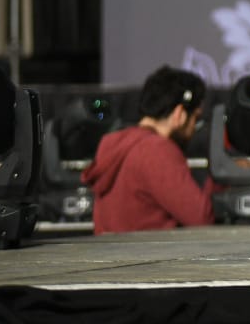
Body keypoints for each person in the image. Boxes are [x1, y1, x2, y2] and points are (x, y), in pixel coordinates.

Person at [81, 66, 216, 234]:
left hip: (116, 257)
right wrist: (218, 178)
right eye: (195, 118)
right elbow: (201, 218)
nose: (194, 128)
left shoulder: (115, 145)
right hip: (154, 256)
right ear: (179, 114)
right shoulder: (156, 151)